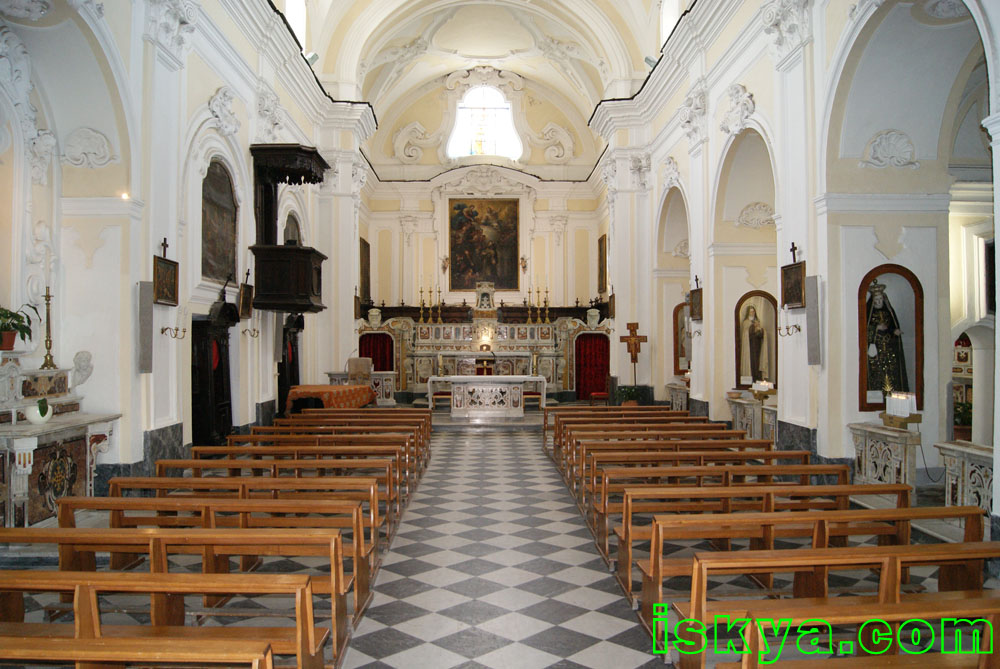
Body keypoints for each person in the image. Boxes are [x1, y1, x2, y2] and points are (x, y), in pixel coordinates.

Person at [866, 279, 908, 393]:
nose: (879, 302)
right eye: (876, 300)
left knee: (891, 373)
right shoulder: (868, 313)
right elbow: (864, 331)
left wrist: (894, 332)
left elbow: (891, 326)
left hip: (889, 350)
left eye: (880, 300)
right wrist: (876, 328)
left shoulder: (888, 312)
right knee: (877, 374)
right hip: (876, 351)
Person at [739, 304, 768, 382]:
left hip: (757, 346)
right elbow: (746, 334)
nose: (752, 313)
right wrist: (753, 328)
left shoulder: (757, 321)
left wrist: (761, 330)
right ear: (748, 313)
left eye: (753, 311)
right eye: (751, 312)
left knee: (758, 362)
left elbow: (761, 335)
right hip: (750, 348)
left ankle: (758, 377)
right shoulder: (746, 322)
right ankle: (752, 378)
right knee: (752, 363)